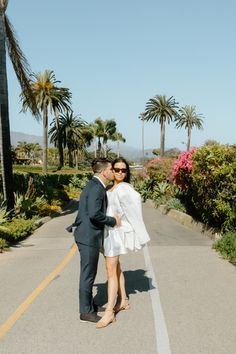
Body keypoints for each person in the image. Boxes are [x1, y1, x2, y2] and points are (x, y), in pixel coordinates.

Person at [96, 157, 150, 329]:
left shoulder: (126, 189)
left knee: (110, 270)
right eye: (117, 169)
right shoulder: (110, 187)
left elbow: (134, 212)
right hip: (108, 232)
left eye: (123, 170)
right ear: (111, 170)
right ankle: (124, 300)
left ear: (127, 173)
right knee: (116, 268)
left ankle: (109, 312)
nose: (120, 172)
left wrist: (131, 229)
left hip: (116, 235)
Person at [73, 158, 121, 324]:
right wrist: (113, 221)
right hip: (88, 237)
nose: (113, 172)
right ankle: (85, 311)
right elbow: (94, 214)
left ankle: (89, 305)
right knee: (88, 275)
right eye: (111, 169)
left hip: (88, 235)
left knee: (89, 273)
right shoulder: (96, 188)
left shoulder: (95, 185)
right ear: (104, 172)